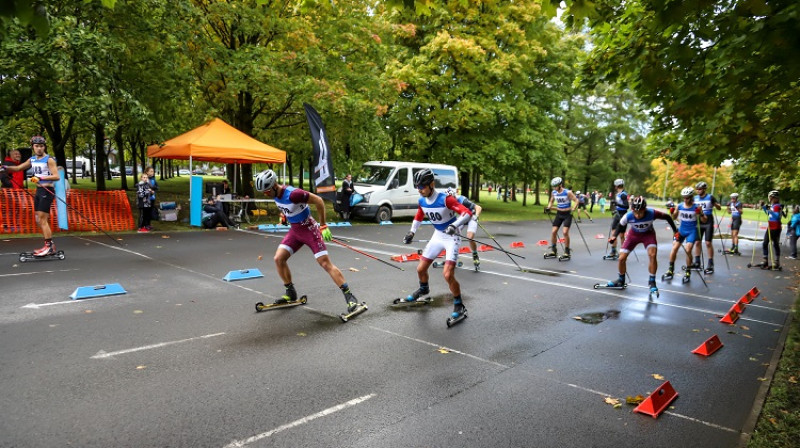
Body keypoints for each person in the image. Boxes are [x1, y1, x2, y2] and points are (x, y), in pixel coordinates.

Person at [254, 169, 366, 317]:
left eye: (267, 191)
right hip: (295, 231)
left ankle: (350, 298)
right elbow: (287, 208)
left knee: (325, 263)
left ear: (275, 185)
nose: (265, 194)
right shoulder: (276, 194)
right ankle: (291, 293)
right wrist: (284, 216)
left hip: (309, 229)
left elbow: (319, 201)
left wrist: (323, 225)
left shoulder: (294, 194)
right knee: (279, 258)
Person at [400, 169, 473, 323]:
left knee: (447, 274)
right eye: (417, 187)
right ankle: (424, 289)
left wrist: (454, 225)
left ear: (432, 184)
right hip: (438, 235)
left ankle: (459, 305)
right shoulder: (422, 200)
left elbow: (467, 213)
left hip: (452, 237)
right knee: (420, 269)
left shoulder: (446, 199)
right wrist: (411, 233)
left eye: (422, 187)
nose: (419, 190)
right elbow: (419, 215)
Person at [605, 196, 678, 297]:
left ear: (645, 209)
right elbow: (620, 226)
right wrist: (614, 236)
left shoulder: (652, 213)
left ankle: (652, 282)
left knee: (652, 255)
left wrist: (675, 230)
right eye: (636, 212)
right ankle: (620, 280)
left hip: (648, 235)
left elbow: (667, 217)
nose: (638, 215)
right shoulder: (628, 216)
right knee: (621, 258)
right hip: (633, 235)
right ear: (632, 209)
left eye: (640, 212)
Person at [1, 136, 60, 255]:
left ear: (44, 147)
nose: (39, 148)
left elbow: (56, 176)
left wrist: (40, 177)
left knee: (43, 219)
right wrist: (5, 168)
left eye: (41, 146)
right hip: (39, 191)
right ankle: (50, 245)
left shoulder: (49, 160)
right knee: (39, 219)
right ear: (33, 147)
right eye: (37, 146)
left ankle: (48, 246)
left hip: (47, 190)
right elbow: (18, 168)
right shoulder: (32, 160)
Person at [663, 187, 707, 282]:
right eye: (684, 197)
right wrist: (672, 212)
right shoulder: (680, 206)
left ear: (691, 197)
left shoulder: (696, 207)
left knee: (688, 249)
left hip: (692, 231)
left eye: (687, 197)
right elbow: (674, 217)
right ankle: (670, 269)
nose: (685, 199)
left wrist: (701, 214)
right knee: (674, 248)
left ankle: (688, 271)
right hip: (681, 230)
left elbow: (704, 220)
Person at [446, 187, 483, 270]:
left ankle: (475, 255)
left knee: (470, 237)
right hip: (463, 217)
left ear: (455, 195)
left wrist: (476, 217)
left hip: (471, 217)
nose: (452, 200)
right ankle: (451, 256)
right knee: (452, 235)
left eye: (453, 198)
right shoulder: (447, 201)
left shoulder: (462, 200)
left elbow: (478, 208)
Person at [544, 177, 578, 260]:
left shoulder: (568, 192)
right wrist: (549, 207)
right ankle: (553, 250)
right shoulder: (554, 192)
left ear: (560, 185)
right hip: (559, 214)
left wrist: (573, 208)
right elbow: (551, 201)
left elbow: (576, 200)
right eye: (553, 186)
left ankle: (567, 252)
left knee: (565, 232)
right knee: (554, 231)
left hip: (567, 214)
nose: (554, 188)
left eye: (556, 186)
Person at [692, 181, 721, 274]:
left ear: (704, 189)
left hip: (708, 221)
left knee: (708, 243)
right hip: (698, 221)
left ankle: (710, 263)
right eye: (697, 189)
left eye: (699, 189)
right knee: (697, 242)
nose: (698, 191)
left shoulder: (710, 197)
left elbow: (719, 208)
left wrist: (715, 204)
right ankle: (697, 262)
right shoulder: (695, 198)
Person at [759, 190, 786, 269]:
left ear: (773, 198)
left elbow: (777, 216)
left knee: (772, 243)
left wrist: (769, 210)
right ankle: (766, 260)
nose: (769, 199)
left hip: (775, 227)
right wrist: (764, 207)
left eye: (770, 197)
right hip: (771, 226)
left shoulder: (777, 206)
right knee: (768, 243)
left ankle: (774, 261)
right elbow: (768, 214)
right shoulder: (774, 206)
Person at [606, 179, 629, 259]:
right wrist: (615, 207)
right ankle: (613, 251)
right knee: (613, 232)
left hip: (623, 215)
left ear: (617, 186)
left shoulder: (623, 194)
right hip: (617, 214)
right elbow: (619, 205)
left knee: (622, 235)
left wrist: (617, 203)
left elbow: (626, 206)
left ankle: (623, 252)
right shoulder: (618, 194)